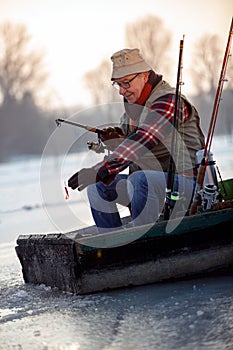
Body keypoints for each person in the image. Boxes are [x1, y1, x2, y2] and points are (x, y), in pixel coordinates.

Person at [68, 48, 205, 232]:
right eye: (117, 85)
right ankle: (111, 244)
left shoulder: (170, 101)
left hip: (186, 186)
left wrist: (100, 169)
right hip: (150, 187)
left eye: (126, 83)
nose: (122, 91)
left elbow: (143, 139)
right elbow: (131, 140)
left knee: (141, 179)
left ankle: (142, 241)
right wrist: (117, 136)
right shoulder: (134, 109)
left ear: (145, 76)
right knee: (97, 186)